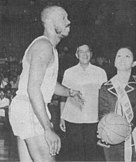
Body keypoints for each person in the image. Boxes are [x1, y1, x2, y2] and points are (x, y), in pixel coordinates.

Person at [9, 6, 80, 162]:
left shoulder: (49, 47)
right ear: (49, 22)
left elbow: (47, 84)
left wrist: (69, 92)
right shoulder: (44, 47)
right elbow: (33, 89)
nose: (68, 21)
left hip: (24, 108)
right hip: (30, 108)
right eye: (63, 18)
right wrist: (47, 129)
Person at [98, 47, 136, 161]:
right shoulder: (106, 87)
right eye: (119, 56)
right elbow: (102, 113)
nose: (122, 59)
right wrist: (106, 129)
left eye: (127, 56)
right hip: (111, 137)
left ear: (134, 63)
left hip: (133, 135)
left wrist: (126, 128)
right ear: (114, 62)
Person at [59, 44, 107, 161]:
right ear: (77, 54)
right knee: (75, 154)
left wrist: (104, 118)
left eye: (87, 51)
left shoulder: (100, 72)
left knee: (92, 153)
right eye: (81, 52)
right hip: (73, 118)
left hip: (93, 119)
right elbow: (63, 96)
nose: (85, 54)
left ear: (91, 54)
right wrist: (62, 117)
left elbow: (105, 98)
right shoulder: (69, 72)